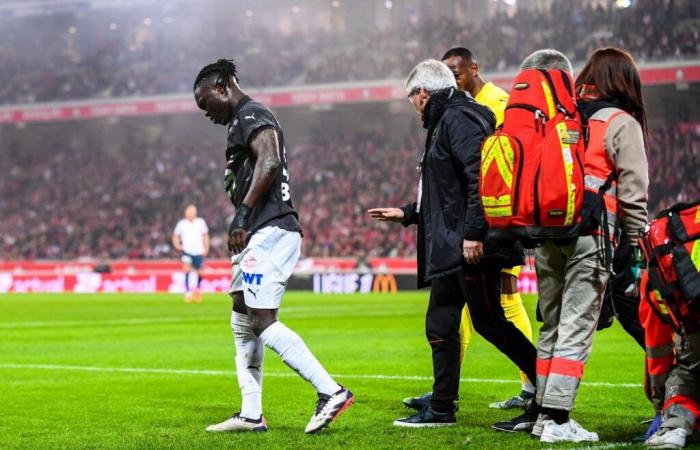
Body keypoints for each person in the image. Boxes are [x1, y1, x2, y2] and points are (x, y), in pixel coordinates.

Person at [369, 59, 536, 428]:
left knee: (491, 323)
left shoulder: (456, 120)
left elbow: (479, 177)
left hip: (468, 246)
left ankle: (547, 391)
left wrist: (474, 234)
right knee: (442, 324)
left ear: (423, 94)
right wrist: (409, 213)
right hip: (453, 245)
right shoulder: (452, 119)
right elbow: (446, 192)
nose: (412, 106)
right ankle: (442, 407)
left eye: (412, 97)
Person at [496, 48, 649, 443]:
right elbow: (633, 197)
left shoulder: (564, 115)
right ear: (625, 82)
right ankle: (559, 420)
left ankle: (542, 415)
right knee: (576, 326)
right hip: (592, 232)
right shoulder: (621, 122)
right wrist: (637, 252)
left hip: (549, 231)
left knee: (551, 324)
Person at [193, 59, 353, 434]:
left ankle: (331, 392)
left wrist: (243, 215)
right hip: (262, 232)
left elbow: (269, 159)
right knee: (241, 318)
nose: (206, 113)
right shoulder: (241, 119)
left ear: (221, 87)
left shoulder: (251, 113)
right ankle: (251, 414)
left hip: (270, 229)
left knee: (262, 320)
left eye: (205, 103)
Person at [443, 46, 535, 410]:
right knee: (467, 303)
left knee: (506, 297)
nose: (453, 80)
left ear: (474, 68)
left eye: (457, 72)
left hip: (497, 219)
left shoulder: (499, 102)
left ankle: (532, 384)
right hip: (476, 216)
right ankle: (445, 387)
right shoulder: (463, 108)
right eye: (447, 75)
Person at [172, 204, 209, 303]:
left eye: (192, 211)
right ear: (186, 212)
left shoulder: (200, 222)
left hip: (198, 251)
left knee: (200, 272)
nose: (190, 213)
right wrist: (177, 245)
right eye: (189, 211)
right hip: (186, 251)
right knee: (186, 270)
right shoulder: (182, 223)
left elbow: (205, 236)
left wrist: (206, 248)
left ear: (195, 213)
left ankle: (197, 290)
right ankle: (188, 293)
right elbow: (175, 236)